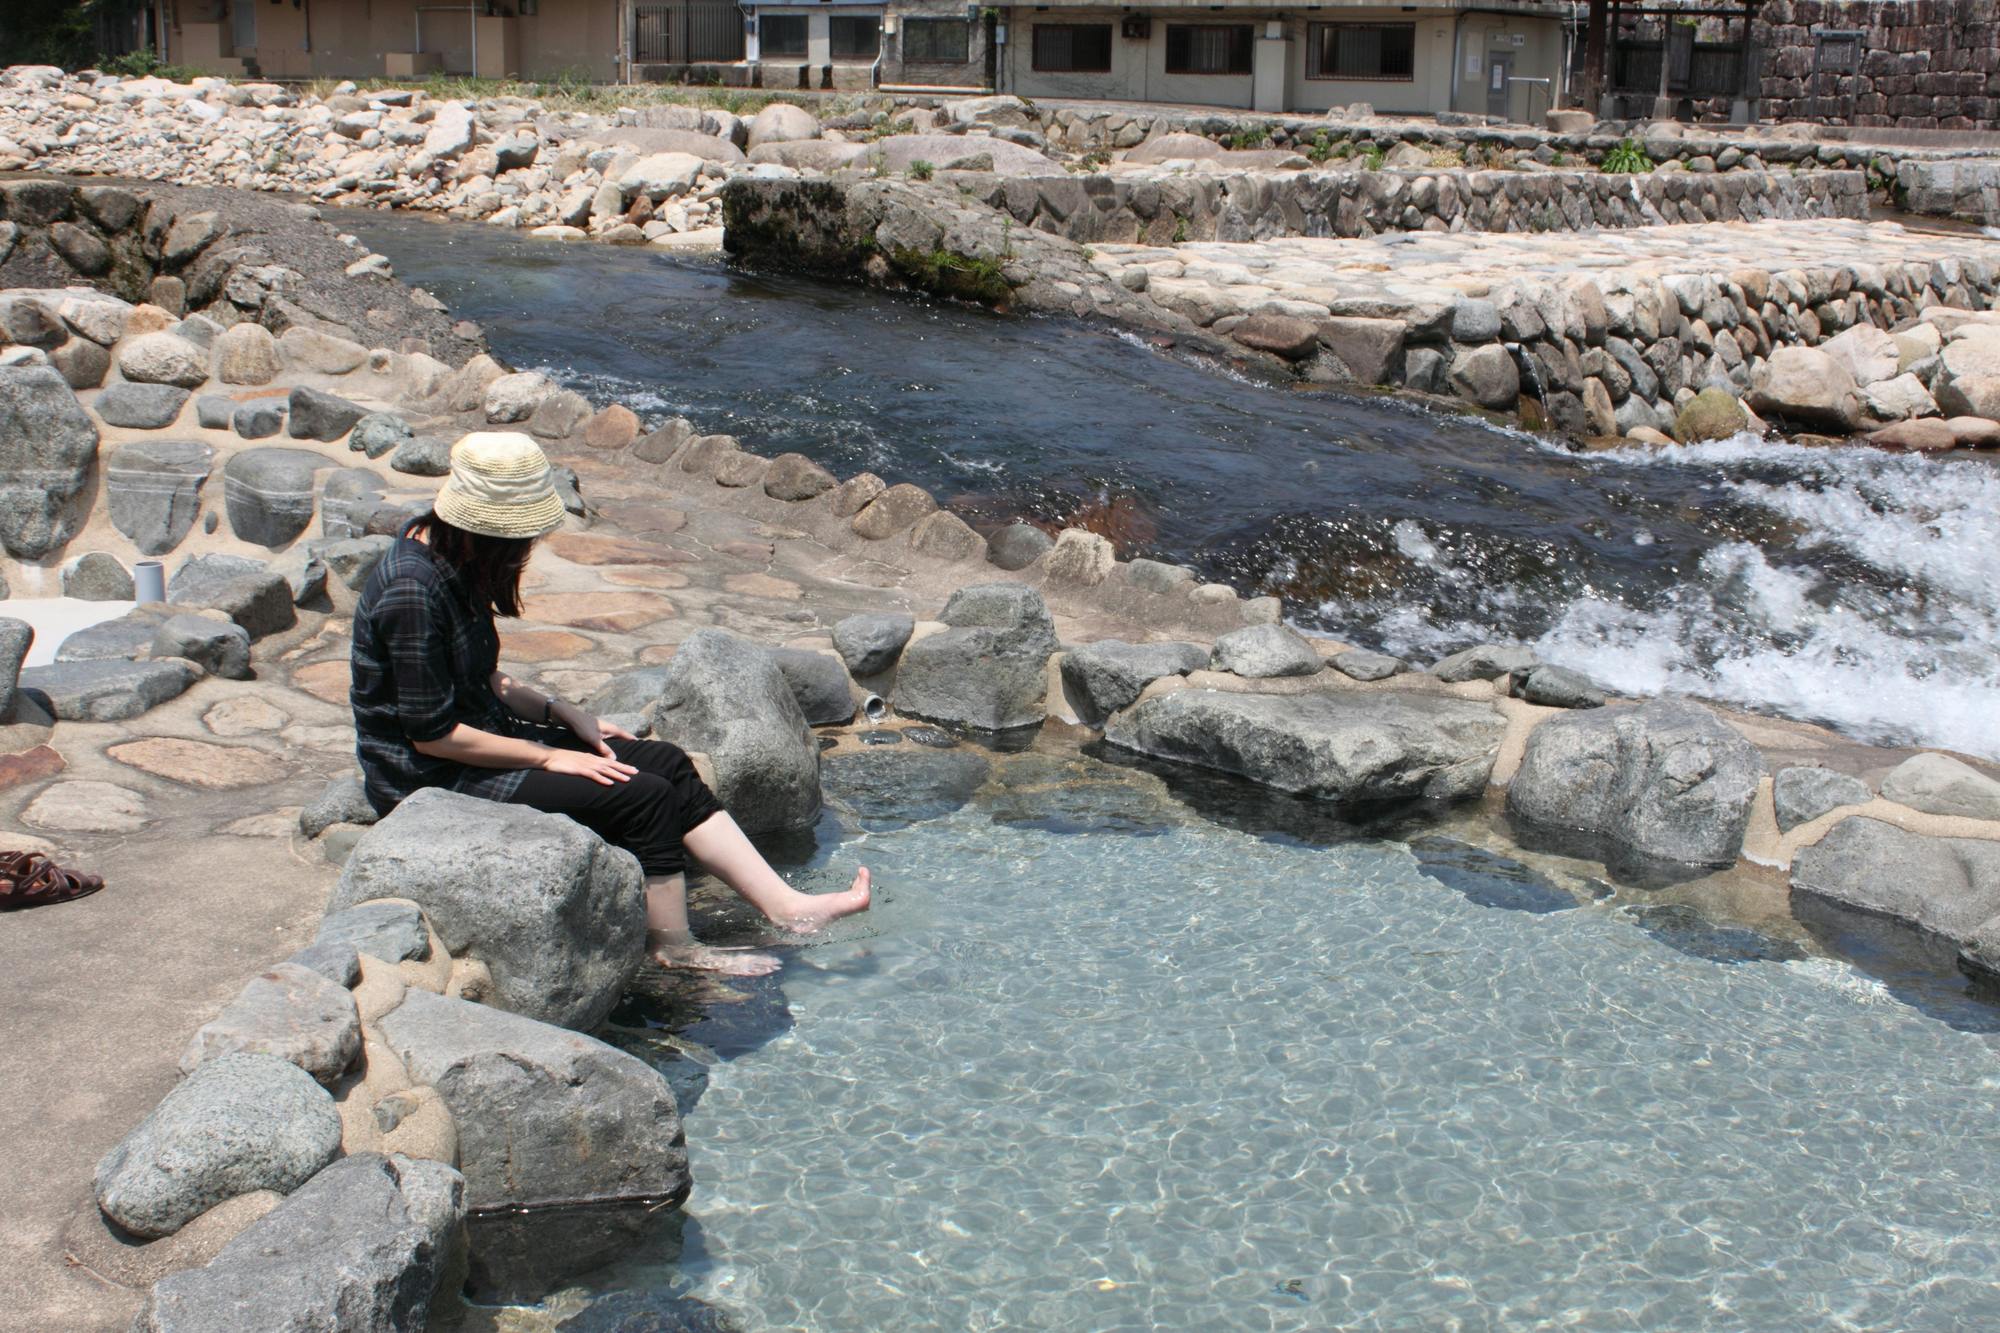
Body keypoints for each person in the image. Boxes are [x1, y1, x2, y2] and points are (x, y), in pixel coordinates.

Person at [349, 431, 869, 976]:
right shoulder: (412, 590)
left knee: (664, 760)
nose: (526, 549)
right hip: (429, 774)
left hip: (473, 743)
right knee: (640, 797)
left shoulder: (450, 551)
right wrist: (550, 756)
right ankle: (674, 948)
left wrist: (562, 712)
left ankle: (788, 908)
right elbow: (430, 733)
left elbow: (482, 677)